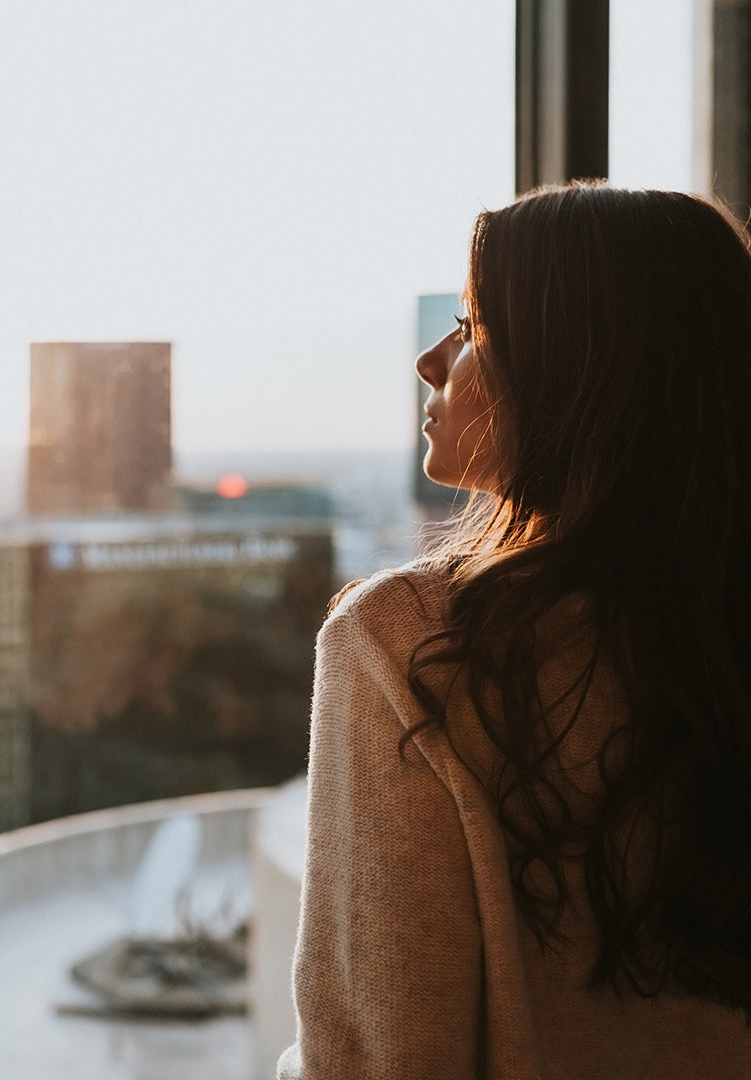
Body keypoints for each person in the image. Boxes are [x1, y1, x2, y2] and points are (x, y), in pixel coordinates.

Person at [278, 183, 751, 1079]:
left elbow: (383, 1058)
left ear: (582, 369)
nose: (431, 359)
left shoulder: (412, 647)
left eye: (473, 326)